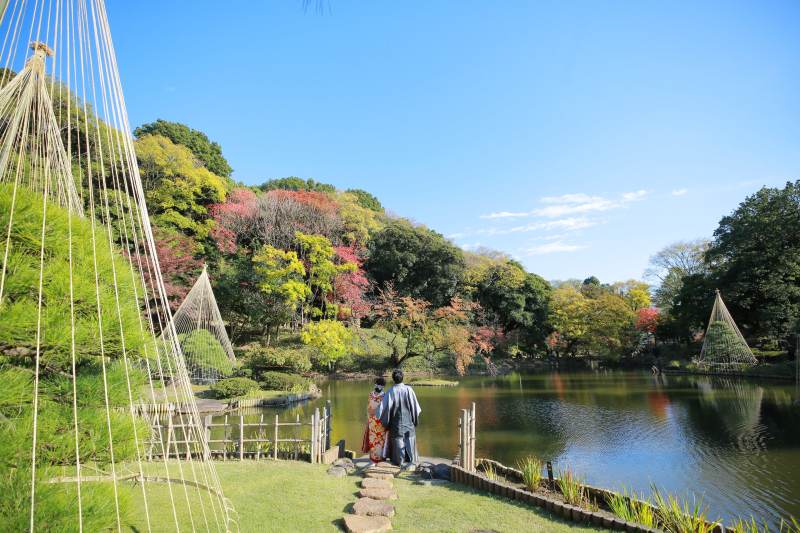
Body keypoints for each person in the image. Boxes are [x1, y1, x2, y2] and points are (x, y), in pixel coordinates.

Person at [377, 369, 422, 467]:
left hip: (395, 424)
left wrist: (382, 420)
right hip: (409, 422)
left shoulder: (390, 391)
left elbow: (381, 410)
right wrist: (414, 418)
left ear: (393, 379)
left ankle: (399, 460)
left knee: (398, 439)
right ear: (402, 378)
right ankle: (411, 460)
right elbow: (416, 408)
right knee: (409, 437)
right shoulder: (409, 389)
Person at [361, 377, 388, 463]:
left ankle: (374, 458)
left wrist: (369, 417)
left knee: (374, 439)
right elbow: (386, 409)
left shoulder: (371, 394)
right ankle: (379, 458)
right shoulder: (384, 395)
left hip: (373, 421)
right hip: (379, 421)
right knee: (379, 440)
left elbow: (368, 408)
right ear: (383, 386)